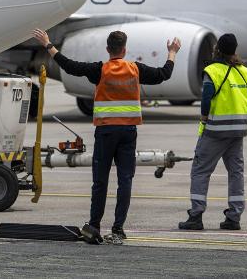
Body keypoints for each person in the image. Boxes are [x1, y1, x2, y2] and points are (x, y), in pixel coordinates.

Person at [33, 28, 181, 244]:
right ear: (124, 49)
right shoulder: (135, 69)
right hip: (128, 132)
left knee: (100, 181)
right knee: (125, 180)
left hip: (105, 132)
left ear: (107, 49)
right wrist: (172, 52)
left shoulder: (100, 70)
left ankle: (94, 226)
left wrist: (48, 44)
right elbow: (163, 75)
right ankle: (118, 228)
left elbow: (70, 66)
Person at [179, 33, 247, 231]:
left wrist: (205, 118)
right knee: (236, 173)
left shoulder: (212, 71)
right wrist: (244, 122)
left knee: (200, 171)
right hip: (238, 132)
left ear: (217, 50)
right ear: (234, 50)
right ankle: (234, 217)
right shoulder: (245, 72)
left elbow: (206, 99)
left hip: (215, 131)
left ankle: (196, 215)